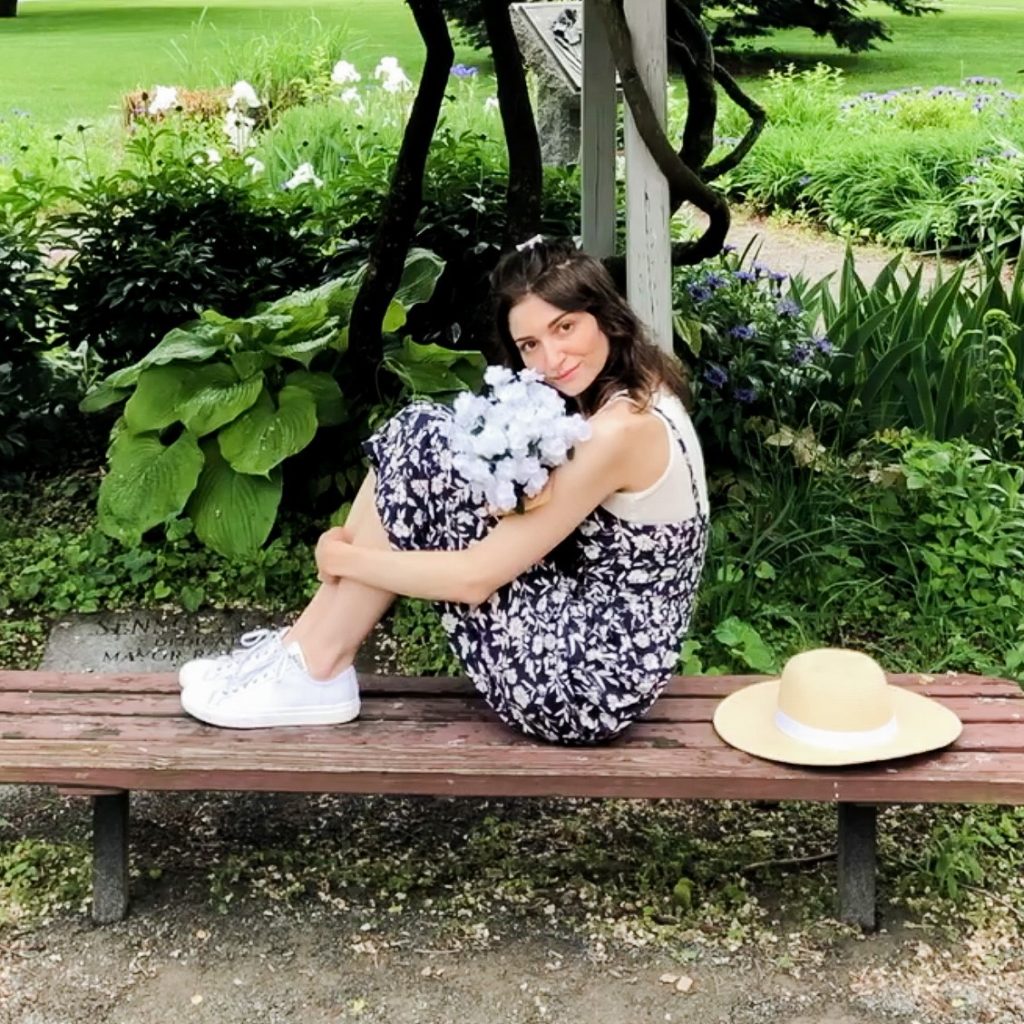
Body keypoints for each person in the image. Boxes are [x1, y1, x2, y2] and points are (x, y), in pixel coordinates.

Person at [180, 237, 709, 743]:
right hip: (597, 648)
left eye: (565, 327)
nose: (551, 359)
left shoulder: (623, 429)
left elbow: (474, 579)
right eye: (530, 344)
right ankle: (305, 652)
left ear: (605, 316)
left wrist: (343, 559)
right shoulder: (636, 390)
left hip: (582, 686)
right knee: (424, 432)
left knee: (420, 439)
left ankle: (315, 663)